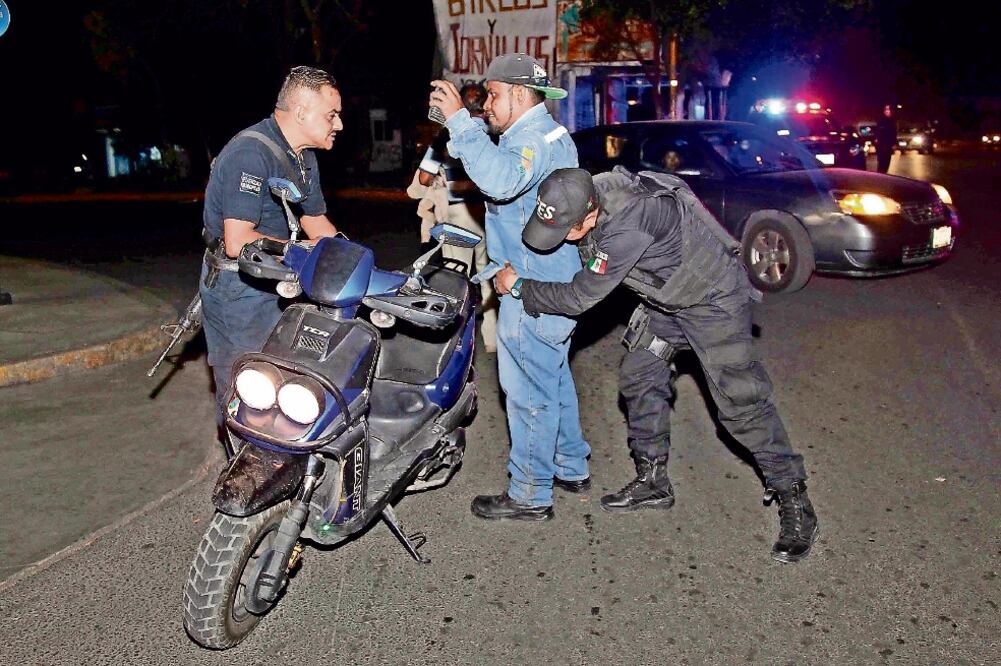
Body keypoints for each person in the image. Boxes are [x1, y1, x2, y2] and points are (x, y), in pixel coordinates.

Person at [494, 167, 820, 562]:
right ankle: (653, 481)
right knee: (640, 375)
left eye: (566, 231)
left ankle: (795, 499)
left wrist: (520, 287)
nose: (558, 240)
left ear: (590, 216)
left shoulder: (630, 223)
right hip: (668, 299)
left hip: (712, 300)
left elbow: (580, 296)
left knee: (740, 404)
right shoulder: (581, 192)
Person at [429, 54, 590, 521]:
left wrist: (460, 120)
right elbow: (499, 173)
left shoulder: (532, 141)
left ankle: (530, 492)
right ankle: (569, 463)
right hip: (556, 281)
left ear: (520, 95)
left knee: (526, 390)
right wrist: (467, 128)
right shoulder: (551, 134)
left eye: (494, 96)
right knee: (554, 378)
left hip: (531, 287)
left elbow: (500, 182)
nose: (488, 106)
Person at [199, 66, 342, 435]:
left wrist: (357, 263)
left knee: (289, 381)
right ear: (301, 113)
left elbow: (317, 224)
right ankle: (240, 468)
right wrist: (302, 249)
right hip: (239, 289)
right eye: (332, 115)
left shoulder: (302, 157)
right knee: (247, 389)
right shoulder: (250, 153)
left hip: (281, 279)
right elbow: (238, 240)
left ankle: (283, 458)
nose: (338, 124)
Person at [409, 82, 497, 353]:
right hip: (489, 215)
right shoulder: (494, 135)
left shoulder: (447, 136)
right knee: (488, 276)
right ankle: (492, 338)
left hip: (459, 214)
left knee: (456, 277)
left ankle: (457, 338)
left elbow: (424, 177)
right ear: (484, 106)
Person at [875, 104, 897, 174]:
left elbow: (893, 134)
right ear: (884, 111)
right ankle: (880, 177)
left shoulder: (892, 121)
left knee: (886, 163)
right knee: (882, 164)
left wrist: (894, 143)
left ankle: (883, 175)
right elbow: (878, 133)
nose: (888, 111)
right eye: (886, 110)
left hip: (888, 147)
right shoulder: (881, 121)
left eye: (889, 109)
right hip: (882, 147)